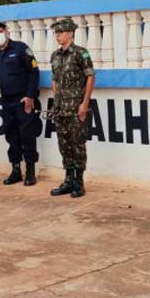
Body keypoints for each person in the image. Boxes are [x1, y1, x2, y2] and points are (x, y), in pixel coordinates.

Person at [0, 21, 40, 186]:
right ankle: (16, 170)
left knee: (27, 135)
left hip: (23, 100)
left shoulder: (20, 48)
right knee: (11, 135)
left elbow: (33, 72)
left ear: (7, 32)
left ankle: (30, 171)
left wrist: (30, 96)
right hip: (6, 102)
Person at [48, 18, 96, 199]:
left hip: (76, 108)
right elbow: (54, 80)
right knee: (64, 145)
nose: (57, 36)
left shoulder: (80, 54)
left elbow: (90, 78)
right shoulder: (55, 56)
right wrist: (55, 102)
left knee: (78, 145)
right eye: (56, 33)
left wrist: (84, 104)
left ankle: (79, 182)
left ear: (70, 33)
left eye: (60, 33)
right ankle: (68, 180)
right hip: (61, 109)